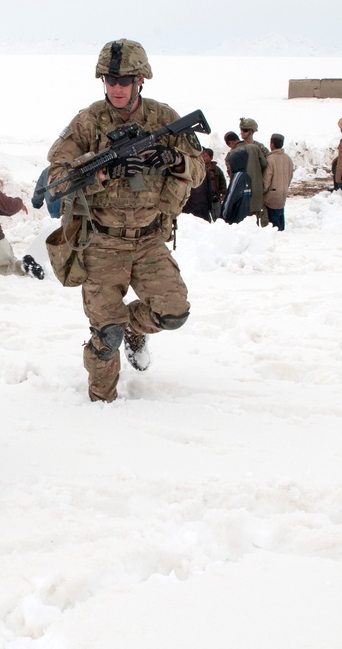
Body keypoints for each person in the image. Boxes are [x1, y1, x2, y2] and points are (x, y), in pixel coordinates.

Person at [46, 39, 203, 403]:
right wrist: (102, 172)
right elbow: (56, 178)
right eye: (111, 80)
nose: (117, 87)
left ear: (141, 80)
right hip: (103, 242)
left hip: (149, 239)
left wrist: (172, 159)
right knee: (106, 334)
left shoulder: (164, 119)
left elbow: (197, 171)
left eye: (126, 80)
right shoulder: (87, 122)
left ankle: (133, 328)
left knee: (174, 312)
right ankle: (102, 408)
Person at [236, 118, 270, 227]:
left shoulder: (260, 148)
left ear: (252, 131)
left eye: (245, 130)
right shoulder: (238, 147)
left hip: (256, 184)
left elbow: (266, 164)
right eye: (241, 130)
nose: (242, 132)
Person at [181, 147, 226, 222]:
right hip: (200, 205)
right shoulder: (203, 169)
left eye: (205, 155)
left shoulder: (184, 167)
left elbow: (222, 182)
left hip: (195, 204)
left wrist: (223, 192)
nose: (203, 157)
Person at [263, 133, 294, 231]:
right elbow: (290, 176)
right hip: (283, 192)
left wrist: (262, 191)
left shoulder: (270, 159)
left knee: (273, 222)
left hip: (272, 195)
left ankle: (278, 237)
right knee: (280, 214)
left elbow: (266, 180)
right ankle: (282, 232)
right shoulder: (287, 158)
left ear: (272, 144)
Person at [221, 148, 252, 225]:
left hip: (234, 218)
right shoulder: (247, 176)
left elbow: (231, 197)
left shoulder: (237, 177)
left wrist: (224, 215)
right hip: (243, 216)